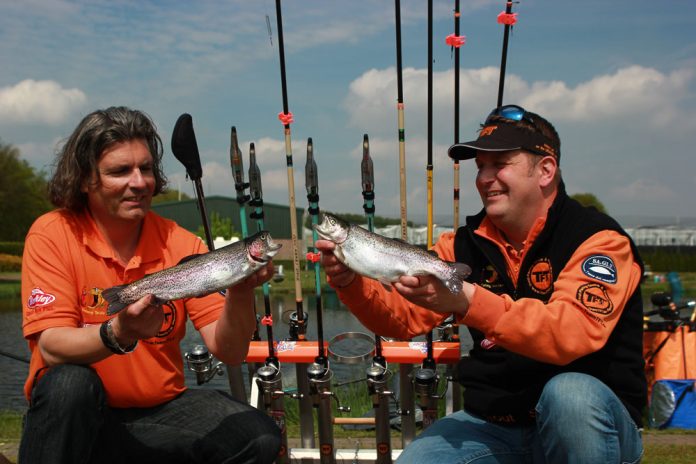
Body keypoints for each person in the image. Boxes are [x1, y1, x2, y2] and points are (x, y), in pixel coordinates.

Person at [317, 105, 646, 463]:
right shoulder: (462, 245)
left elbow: (571, 333)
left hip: (588, 425)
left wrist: (468, 301)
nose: (485, 178)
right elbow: (400, 320)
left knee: (571, 396)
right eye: (481, 167)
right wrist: (351, 282)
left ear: (546, 170)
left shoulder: (598, 240)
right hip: (493, 423)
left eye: (500, 164)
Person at [20, 106, 281, 464]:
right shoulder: (53, 233)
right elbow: (51, 347)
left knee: (258, 435)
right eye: (120, 171)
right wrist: (118, 333)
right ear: (84, 180)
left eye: (145, 168)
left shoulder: (181, 242)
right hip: (78, 416)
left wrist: (241, 288)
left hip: (159, 412)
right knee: (69, 385)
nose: (140, 182)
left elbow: (230, 352)